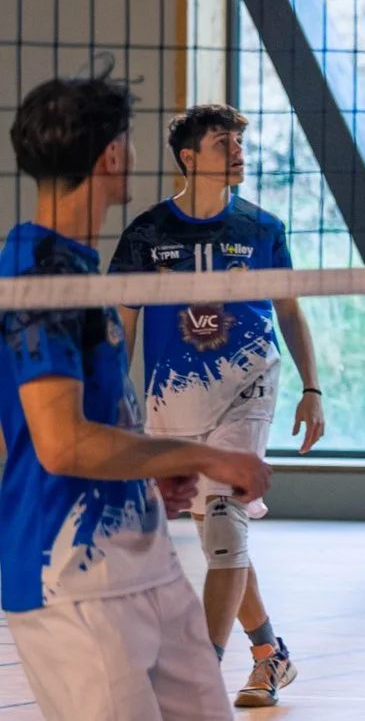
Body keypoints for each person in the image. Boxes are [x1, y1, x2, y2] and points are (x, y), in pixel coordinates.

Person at [2, 68, 271, 720]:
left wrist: (143, 470)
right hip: (71, 577)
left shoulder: (79, 266)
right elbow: (61, 443)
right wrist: (204, 456)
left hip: (145, 559)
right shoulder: (40, 271)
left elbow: (78, 423)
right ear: (112, 154)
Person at [109, 103, 323, 707]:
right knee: (219, 539)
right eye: (223, 142)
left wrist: (311, 389)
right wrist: (114, 406)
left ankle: (198, 677)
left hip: (248, 387)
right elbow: (123, 326)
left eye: (239, 142)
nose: (238, 152)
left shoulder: (262, 228)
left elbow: (289, 311)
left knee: (225, 526)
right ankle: (270, 653)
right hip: (173, 398)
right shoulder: (148, 234)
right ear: (189, 157)